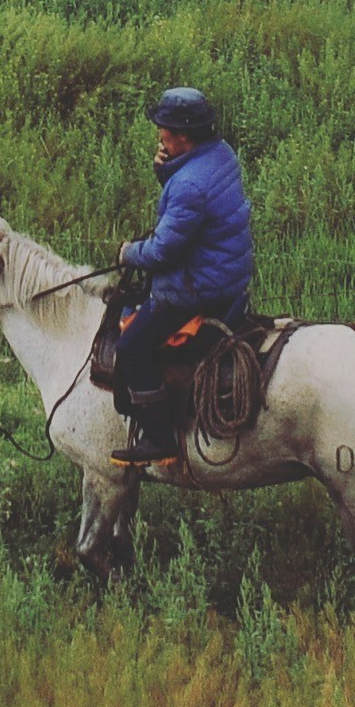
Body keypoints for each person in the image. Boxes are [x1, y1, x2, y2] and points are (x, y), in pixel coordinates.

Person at [108, 86, 254, 471]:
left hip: (197, 287)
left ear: (185, 137)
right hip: (229, 277)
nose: (160, 137)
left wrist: (127, 252)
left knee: (132, 345)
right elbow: (189, 207)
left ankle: (160, 437)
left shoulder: (190, 184)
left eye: (165, 132)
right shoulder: (221, 155)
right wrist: (165, 169)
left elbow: (163, 251)